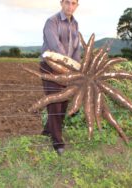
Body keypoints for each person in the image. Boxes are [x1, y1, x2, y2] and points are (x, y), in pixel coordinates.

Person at [40, 0, 81, 155]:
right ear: (61, 3)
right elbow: (55, 46)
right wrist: (69, 65)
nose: (70, 6)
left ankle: (47, 131)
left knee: (63, 102)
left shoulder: (75, 24)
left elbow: (76, 49)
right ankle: (57, 142)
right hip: (51, 67)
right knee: (56, 102)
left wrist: (78, 69)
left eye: (73, 3)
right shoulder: (52, 22)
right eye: (67, 3)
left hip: (67, 69)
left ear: (77, 6)